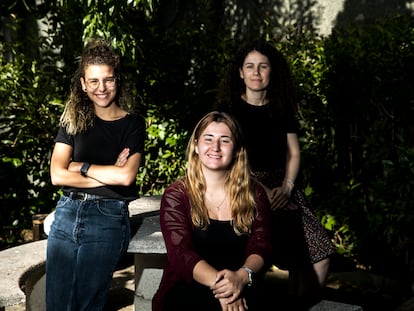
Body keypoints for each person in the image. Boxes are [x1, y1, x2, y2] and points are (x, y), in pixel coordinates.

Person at [215, 39, 336, 304]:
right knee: (263, 248)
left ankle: (301, 305)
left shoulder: (281, 108)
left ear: (272, 71)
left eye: (263, 66)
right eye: (250, 66)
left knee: (321, 254)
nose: (256, 73)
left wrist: (287, 187)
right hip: (243, 184)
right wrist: (261, 189)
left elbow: (293, 152)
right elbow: (227, 157)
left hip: (284, 187)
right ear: (240, 72)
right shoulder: (228, 110)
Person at [46, 37, 146, 310]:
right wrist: (109, 171)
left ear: (117, 80)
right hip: (67, 211)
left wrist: (81, 166)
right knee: (56, 303)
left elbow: (126, 178)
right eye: (93, 81)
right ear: (83, 84)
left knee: (88, 303)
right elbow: (57, 175)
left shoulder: (133, 124)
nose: (101, 88)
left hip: (108, 216)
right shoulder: (73, 120)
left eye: (108, 80)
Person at [152, 111, 272, 311]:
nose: (215, 147)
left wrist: (241, 277)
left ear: (236, 150)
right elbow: (181, 254)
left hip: (242, 281)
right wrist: (223, 288)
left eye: (224, 140)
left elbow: (263, 245)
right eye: (209, 139)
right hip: (189, 285)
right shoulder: (177, 195)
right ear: (196, 146)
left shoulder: (254, 193)